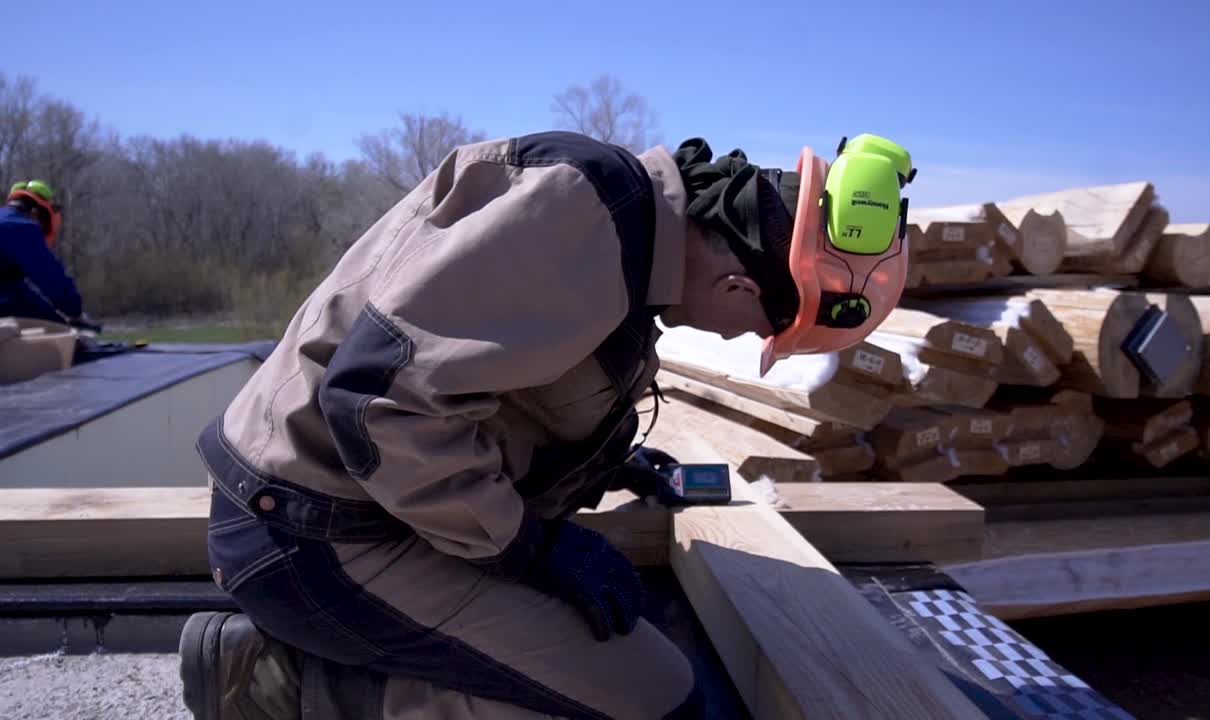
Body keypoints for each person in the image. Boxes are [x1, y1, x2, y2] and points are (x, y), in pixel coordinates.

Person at [179, 130, 913, 720]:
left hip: (370, 507)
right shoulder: (583, 218)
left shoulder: (625, 239)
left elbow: (502, 382)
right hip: (315, 536)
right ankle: (283, 685)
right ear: (737, 284)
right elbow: (378, 401)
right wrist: (532, 548)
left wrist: (612, 465)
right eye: (754, 328)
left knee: (635, 657)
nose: (735, 339)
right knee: (658, 700)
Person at [0, 180, 91, 327]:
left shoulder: (5, 220)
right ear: (35, 213)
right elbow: (51, 278)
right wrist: (74, 311)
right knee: (59, 328)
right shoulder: (21, 227)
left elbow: (18, 289)